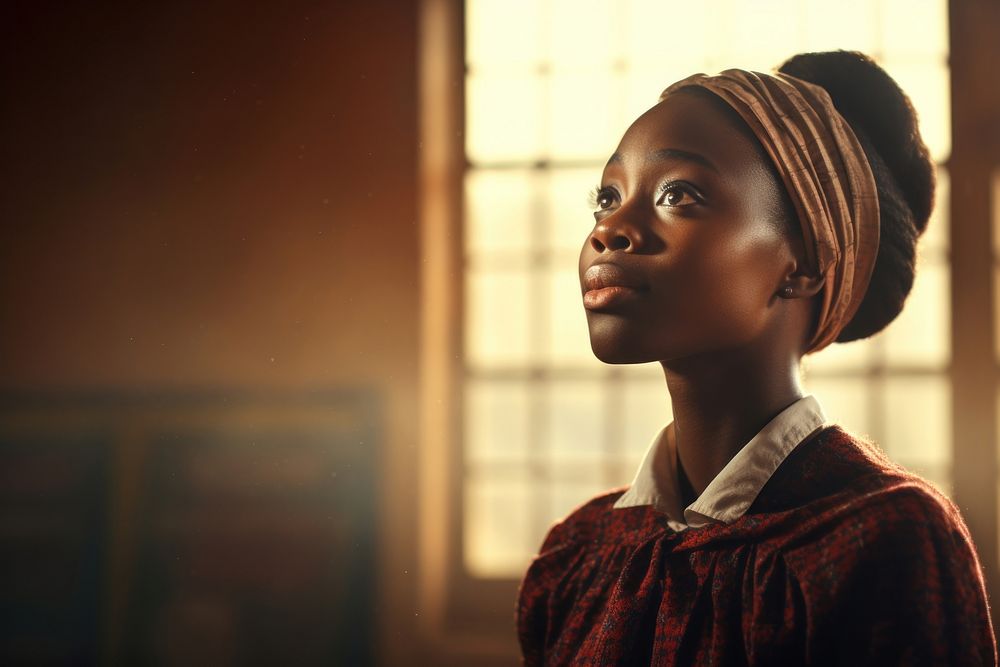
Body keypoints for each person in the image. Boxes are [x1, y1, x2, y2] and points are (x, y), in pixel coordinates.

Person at [516, 50, 997, 666]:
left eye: (679, 193)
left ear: (804, 261)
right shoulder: (577, 555)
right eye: (606, 198)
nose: (609, 230)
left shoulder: (886, 538)